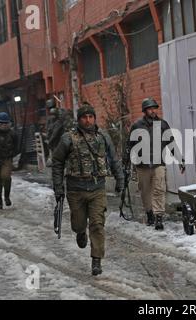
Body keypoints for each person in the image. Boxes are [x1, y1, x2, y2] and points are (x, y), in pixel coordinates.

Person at [52, 103, 124, 276]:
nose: (88, 120)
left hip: (97, 188)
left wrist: (119, 178)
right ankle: (80, 233)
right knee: (78, 223)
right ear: (79, 120)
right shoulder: (68, 138)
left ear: (94, 118)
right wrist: (58, 187)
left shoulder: (103, 137)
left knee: (98, 224)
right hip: (75, 189)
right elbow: (57, 162)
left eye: (91, 117)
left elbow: (113, 159)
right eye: (84, 117)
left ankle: (96, 260)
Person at [124, 98, 184, 231]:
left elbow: (171, 143)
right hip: (142, 164)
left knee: (159, 189)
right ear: (145, 110)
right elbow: (129, 146)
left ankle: (158, 217)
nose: (153, 111)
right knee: (145, 191)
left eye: (154, 108)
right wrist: (126, 164)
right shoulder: (137, 125)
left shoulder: (162, 124)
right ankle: (149, 213)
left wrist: (180, 159)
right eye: (150, 108)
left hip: (158, 163)